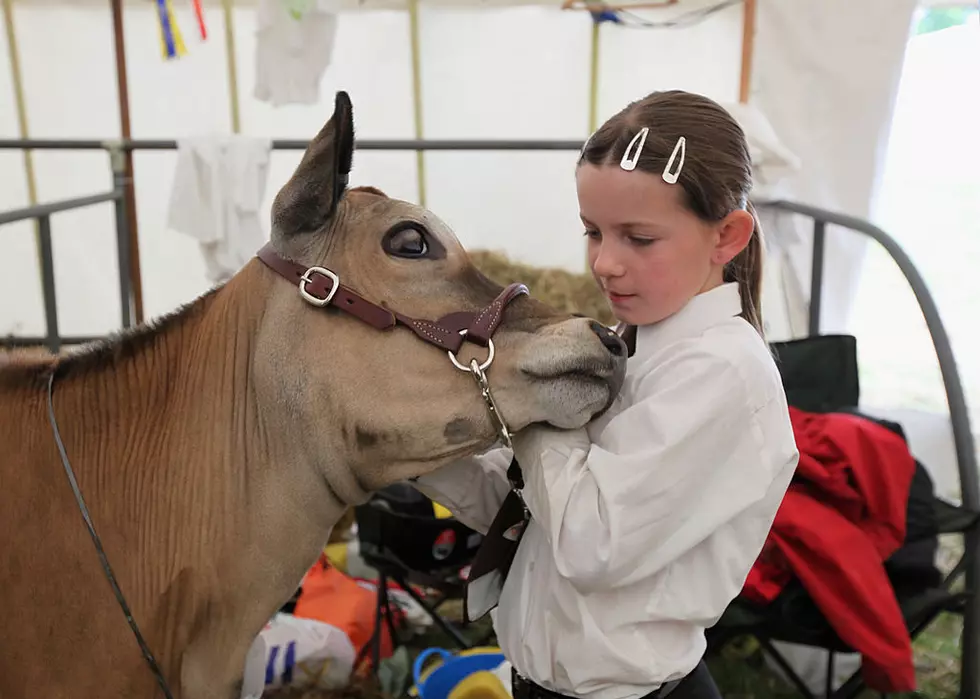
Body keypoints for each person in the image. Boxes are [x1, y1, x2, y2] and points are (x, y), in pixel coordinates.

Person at [412, 90, 800, 699]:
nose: (605, 263)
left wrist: (535, 399)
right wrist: (418, 449)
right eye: (593, 232)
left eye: (638, 239)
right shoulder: (635, 344)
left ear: (726, 236)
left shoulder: (721, 373)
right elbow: (532, 513)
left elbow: (590, 545)